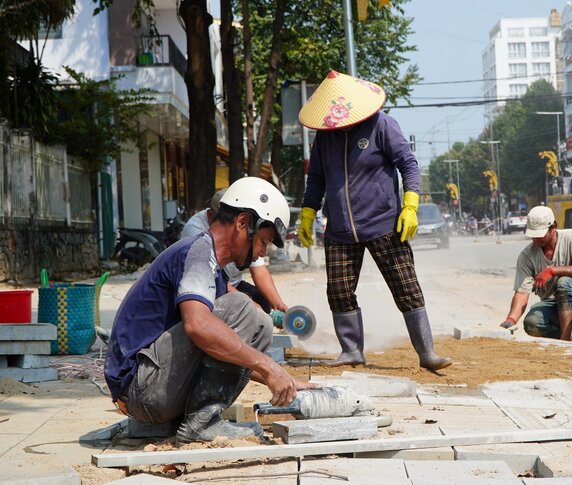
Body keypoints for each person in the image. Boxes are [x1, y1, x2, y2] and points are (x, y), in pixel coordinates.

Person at [104, 177, 314, 445]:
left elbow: (227, 357)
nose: (260, 252)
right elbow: (198, 326)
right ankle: (202, 424)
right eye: (263, 241)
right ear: (242, 223)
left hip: (148, 390)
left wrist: (285, 378)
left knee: (256, 322)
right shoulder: (198, 252)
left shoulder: (212, 266)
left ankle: (200, 419)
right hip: (141, 389)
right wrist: (270, 366)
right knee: (244, 310)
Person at [295, 70, 451, 371]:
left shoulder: (382, 125)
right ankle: (352, 350)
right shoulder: (324, 138)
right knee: (339, 291)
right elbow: (315, 178)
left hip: (384, 224)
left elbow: (408, 164)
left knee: (406, 286)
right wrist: (307, 212)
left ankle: (427, 353)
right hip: (339, 230)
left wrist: (410, 204)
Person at [499, 206, 572, 340]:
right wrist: (510, 319)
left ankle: (564, 341)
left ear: (553, 227)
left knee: (564, 282)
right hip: (554, 305)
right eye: (533, 235)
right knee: (532, 323)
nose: (536, 239)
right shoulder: (527, 256)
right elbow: (522, 292)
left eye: (539, 234)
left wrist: (552, 270)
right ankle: (569, 336)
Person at [182, 188, 288, 314]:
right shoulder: (197, 236)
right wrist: (248, 305)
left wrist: (279, 305)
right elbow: (195, 323)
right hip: (209, 285)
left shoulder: (246, 234)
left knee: (262, 302)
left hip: (231, 283)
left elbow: (259, 270)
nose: (263, 253)